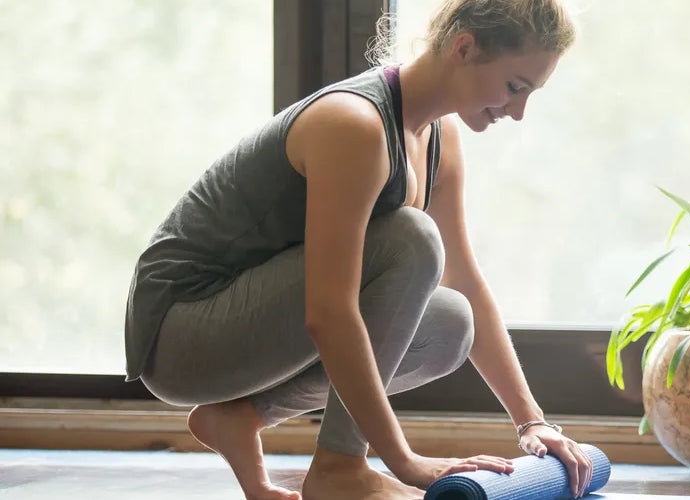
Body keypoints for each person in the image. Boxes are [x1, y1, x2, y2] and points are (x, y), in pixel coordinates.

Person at [124, 1, 592, 499]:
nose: (517, 112)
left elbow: (464, 279)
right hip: (182, 334)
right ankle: (340, 467)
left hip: (246, 329)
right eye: (515, 87)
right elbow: (329, 312)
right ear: (464, 47)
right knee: (410, 239)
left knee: (452, 322)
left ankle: (238, 417)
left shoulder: (439, 137)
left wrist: (532, 424)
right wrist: (403, 460)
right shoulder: (355, 125)